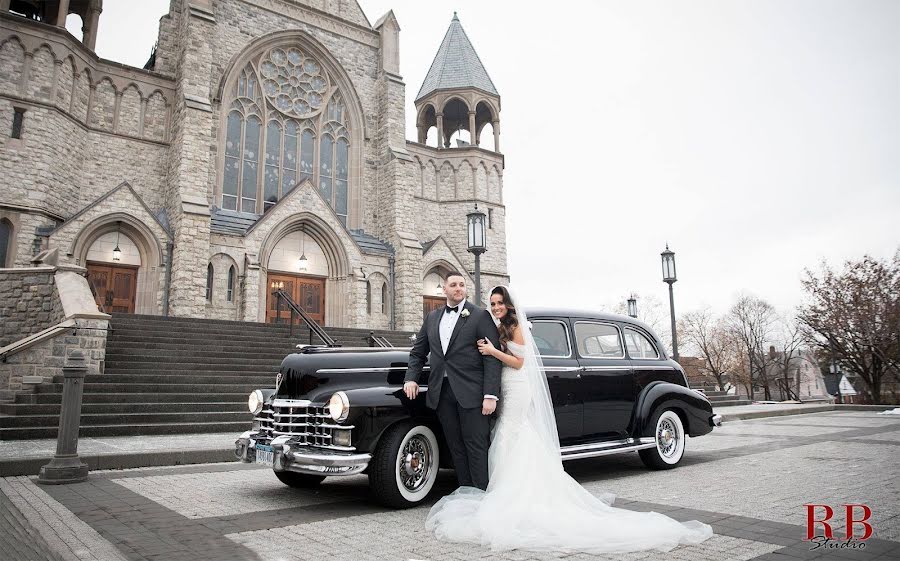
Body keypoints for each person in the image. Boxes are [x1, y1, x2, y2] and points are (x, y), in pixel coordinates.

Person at [424, 285, 714, 554]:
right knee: (508, 435)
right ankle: (502, 491)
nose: (496, 306)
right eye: (494, 303)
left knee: (512, 433)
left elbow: (520, 360)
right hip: (502, 385)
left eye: (501, 303)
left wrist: (493, 351)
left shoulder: (517, 326)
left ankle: (510, 494)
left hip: (517, 382)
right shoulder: (499, 325)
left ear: (510, 305)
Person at [403, 273, 502, 490]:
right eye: (453, 285)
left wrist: (490, 395)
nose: (458, 288)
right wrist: (411, 379)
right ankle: (466, 493)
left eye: (462, 285)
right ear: (444, 290)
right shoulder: (432, 317)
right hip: (442, 393)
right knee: (455, 447)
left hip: (473, 393)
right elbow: (418, 353)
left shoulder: (479, 316)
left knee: (476, 446)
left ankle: (481, 495)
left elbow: (492, 357)